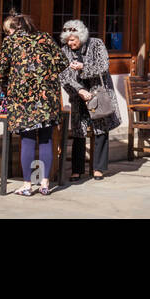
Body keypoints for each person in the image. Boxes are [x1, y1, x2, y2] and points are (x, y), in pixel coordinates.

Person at [0, 13, 66, 196]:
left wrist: (8, 84)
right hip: (47, 97)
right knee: (46, 139)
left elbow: (0, 70)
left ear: (15, 27)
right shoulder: (45, 38)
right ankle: (44, 184)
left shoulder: (11, 42)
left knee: (27, 140)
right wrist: (45, 75)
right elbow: (62, 62)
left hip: (22, 99)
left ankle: (27, 185)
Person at [59, 19, 120, 182]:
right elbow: (63, 75)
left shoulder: (96, 44)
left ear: (81, 36)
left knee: (100, 129)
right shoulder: (64, 50)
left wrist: (83, 66)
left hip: (98, 93)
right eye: (67, 39)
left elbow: (103, 66)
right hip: (78, 94)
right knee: (79, 130)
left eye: (72, 39)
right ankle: (77, 170)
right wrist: (79, 90)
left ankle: (98, 168)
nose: (69, 42)